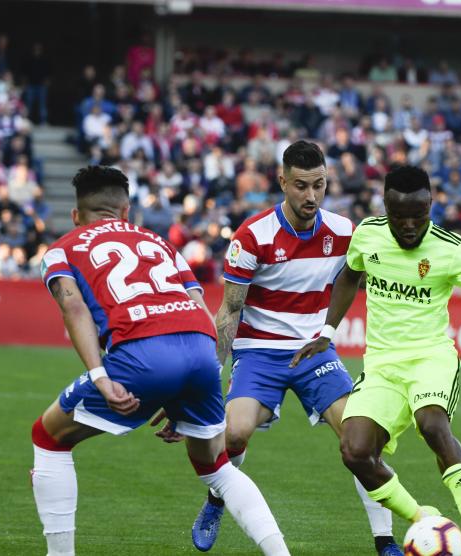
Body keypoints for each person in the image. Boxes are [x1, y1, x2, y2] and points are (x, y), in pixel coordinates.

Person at [153, 141, 402, 555]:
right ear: (282, 181)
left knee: (361, 444)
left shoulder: (343, 232)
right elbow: (229, 311)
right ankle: (217, 498)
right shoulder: (253, 236)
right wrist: (204, 383)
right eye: (301, 186)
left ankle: (385, 541)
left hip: (314, 352)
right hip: (258, 352)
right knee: (232, 434)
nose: (311, 196)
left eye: (319, 185)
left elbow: (360, 277)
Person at [31, 166, 289, 556]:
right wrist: (187, 388)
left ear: (76, 216)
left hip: (142, 351)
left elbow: (72, 305)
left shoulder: (64, 247)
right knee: (217, 467)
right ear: (126, 210)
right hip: (201, 350)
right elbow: (200, 303)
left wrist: (99, 375)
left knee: (48, 436)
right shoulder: (160, 242)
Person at [293, 165, 461, 556]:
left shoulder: (451, 246)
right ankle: (422, 517)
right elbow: (348, 278)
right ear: (385, 205)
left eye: (418, 215)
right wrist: (326, 333)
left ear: (431, 205)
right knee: (354, 451)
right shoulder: (367, 234)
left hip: (431, 358)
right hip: (381, 365)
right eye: (398, 215)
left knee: (433, 426)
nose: (408, 225)